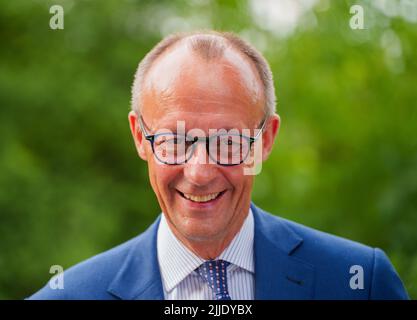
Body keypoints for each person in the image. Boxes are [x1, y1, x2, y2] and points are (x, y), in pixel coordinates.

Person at [29, 31, 408, 300]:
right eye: (175, 142)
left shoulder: (358, 284)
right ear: (140, 137)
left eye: (228, 142)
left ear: (265, 140)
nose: (199, 172)